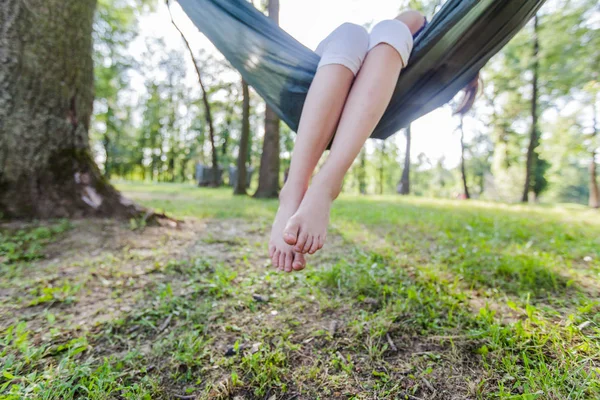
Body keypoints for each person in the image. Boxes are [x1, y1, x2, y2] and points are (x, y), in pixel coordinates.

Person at [269, 10, 479, 272]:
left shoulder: (432, 74)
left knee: (376, 33)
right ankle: (293, 191)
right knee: (355, 33)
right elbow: (381, 34)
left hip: (366, 107)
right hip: (322, 76)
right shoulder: (420, 23)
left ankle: (324, 185)